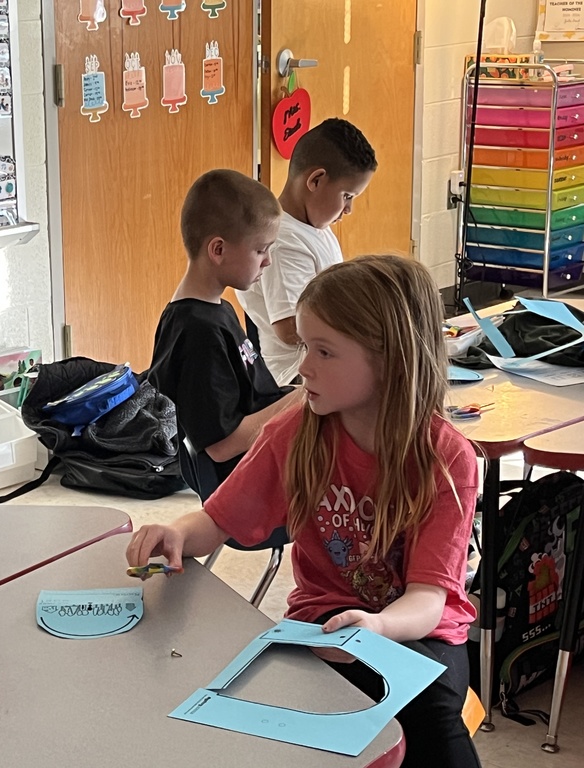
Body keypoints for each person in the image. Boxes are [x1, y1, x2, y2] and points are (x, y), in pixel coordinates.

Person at [128, 255, 481, 768]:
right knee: (277, 712)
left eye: (324, 351)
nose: (303, 368)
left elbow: (427, 599)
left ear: (390, 360)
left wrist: (376, 628)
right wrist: (177, 532)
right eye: (304, 347)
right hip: (320, 620)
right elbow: (218, 520)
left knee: (428, 710)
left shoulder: (445, 459)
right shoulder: (295, 433)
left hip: (415, 629)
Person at [147, 169, 300, 495]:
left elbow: (251, 396)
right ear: (218, 250)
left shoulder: (217, 310)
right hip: (246, 488)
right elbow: (221, 445)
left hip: (261, 467)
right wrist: (301, 401)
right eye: (261, 250)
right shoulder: (198, 332)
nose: (267, 262)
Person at [239, 118, 377, 386]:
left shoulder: (314, 229)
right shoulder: (283, 241)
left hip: (324, 366)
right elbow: (290, 328)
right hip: (298, 378)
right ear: (316, 180)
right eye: (347, 196)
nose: (349, 209)